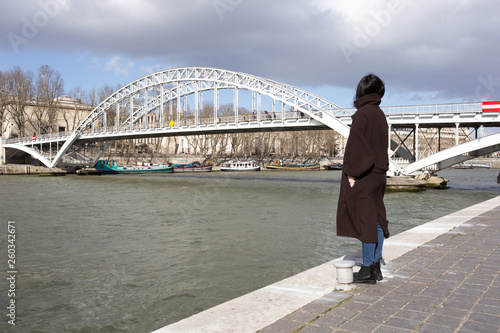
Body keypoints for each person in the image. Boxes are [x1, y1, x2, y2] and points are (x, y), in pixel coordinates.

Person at [336, 74, 389, 284]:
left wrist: (351, 173)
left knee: (365, 221)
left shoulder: (362, 114)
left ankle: (366, 270)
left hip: (365, 176)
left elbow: (357, 148)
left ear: (361, 91)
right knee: (376, 219)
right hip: (379, 175)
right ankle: (376, 266)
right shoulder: (380, 113)